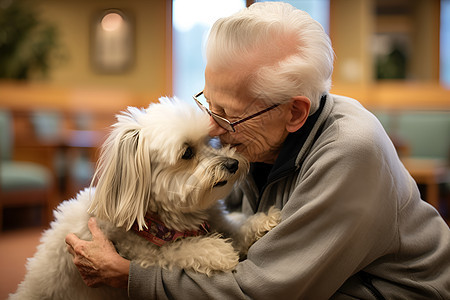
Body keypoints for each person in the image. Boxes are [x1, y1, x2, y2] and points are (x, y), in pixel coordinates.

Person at [65, 2, 450, 299]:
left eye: (228, 114)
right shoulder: (256, 139)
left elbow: (259, 289)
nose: (214, 128)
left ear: (294, 112)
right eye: (208, 104)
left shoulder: (349, 150)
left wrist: (131, 276)